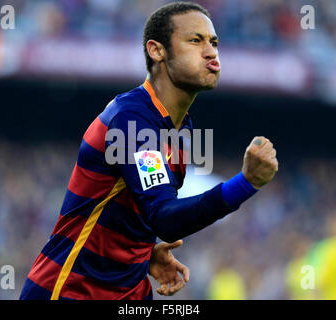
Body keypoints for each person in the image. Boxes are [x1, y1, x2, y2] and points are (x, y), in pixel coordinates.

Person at [20, 2, 278, 300]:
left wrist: (143, 253)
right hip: (70, 292)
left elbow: (141, 209)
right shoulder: (131, 121)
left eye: (214, 42)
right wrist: (246, 183)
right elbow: (164, 218)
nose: (210, 51)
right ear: (157, 51)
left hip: (130, 293)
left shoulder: (180, 130)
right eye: (195, 41)